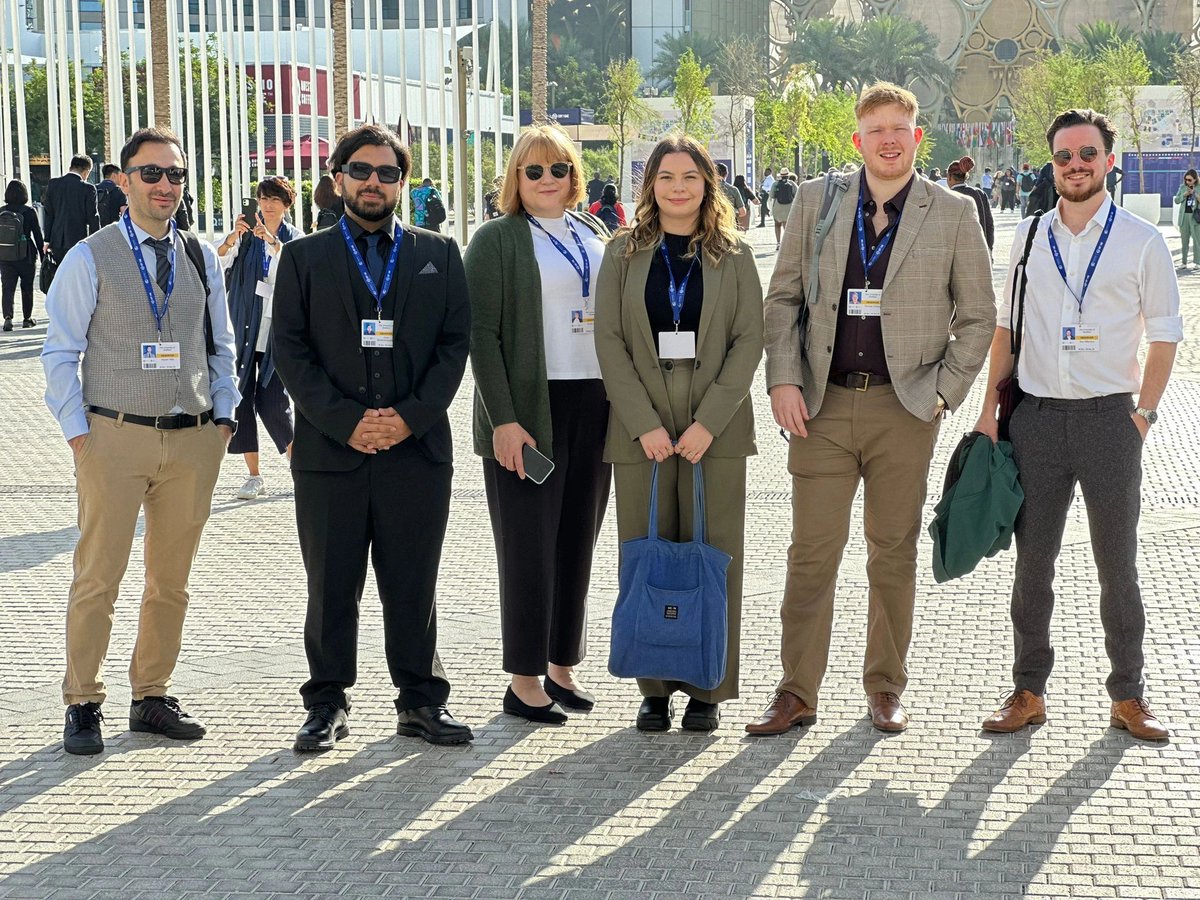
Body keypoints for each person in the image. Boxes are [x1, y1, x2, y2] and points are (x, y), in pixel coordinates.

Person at [750, 81, 995, 737]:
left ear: (918, 138)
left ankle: (885, 688)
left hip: (904, 408)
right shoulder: (816, 202)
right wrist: (782, 379)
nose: (888, 139)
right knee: (811, 556)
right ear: (856, 139)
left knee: (892, 554)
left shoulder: (952, 213)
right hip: (822, 407)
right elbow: (782, 304)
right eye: (875, 129)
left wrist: (943, 393)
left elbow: (978, 318)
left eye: (900, 128)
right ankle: (796, 691)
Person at [974, 108, 1183, 742]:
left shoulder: (1142, 242)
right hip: (1036, 420)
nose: (1075, 166)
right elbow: (1006, 328)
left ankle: (1129, 696)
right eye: (1064, 157)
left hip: (1109, 424)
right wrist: (991, 409)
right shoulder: (1029, 236)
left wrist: (1141, 416)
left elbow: (1166, 337)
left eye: (1087, 154)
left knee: (1117, 565)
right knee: (1033, 564)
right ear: (1052, 165)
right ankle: (1028, 690)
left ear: (1108, 161)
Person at [272, 123, 473, 751]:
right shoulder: (304, 258)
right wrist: (344, 420)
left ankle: (419, 700)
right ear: (338, 180)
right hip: (331, 453)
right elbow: (290, 351)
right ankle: (326, 702)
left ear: (402, 183)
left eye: (388, 173)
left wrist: (410, 416)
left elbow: (453, 346)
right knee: (331, 584)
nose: (373, 183)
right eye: (360, 171)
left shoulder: (438, 253)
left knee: (412, 581)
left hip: (416, 452)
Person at [40, 127, 239, 755]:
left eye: (175, 175)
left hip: (191, 439)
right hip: (114, 434)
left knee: (170, 580)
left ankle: (150, 695)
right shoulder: (89, 256)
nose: (165, 186)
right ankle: (82, 700)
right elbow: (60, 351)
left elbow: (222, 344)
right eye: (150, 174)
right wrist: (81, 434)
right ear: (123, 181)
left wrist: (224, 418)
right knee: (99, 575)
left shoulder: (202, 256)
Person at [595, 133, 764, 733]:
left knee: (714, 556)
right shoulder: (621, 253)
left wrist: (707, 423)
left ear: (707, 184)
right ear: (650, 186)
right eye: (666, 177)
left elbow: (749, 341)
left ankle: (708, 686)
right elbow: (609, 342)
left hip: (714, 432)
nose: (678, 188)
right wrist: (643, 423)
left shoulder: (735, 255)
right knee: (646, 553)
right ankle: (653, 688)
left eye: (690, 177)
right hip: (640, 431)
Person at [464, 124, 613, 725]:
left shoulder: (594, 232)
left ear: (574, 176)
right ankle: (523, 680)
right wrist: (504, 419)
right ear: (515, 179)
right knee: (528, 547)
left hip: (595, 404)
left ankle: (561, 667)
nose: (547, 180)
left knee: (578, 540)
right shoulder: (497, 240)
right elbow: (482, 336)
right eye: (534, 171)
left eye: (558, 169)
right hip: (530, 410)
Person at [216, 175, 301, 500]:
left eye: (275, 200)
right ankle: (254, 475)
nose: (267, 206)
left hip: (275, 333)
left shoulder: (293, 238)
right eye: (263, 199)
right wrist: (231, 238)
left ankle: (299, 467)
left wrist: (273, 244)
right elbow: (221, 260)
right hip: (243, 328)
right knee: (242, 401)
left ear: (285, 205)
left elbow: (295, 273)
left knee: (275, 404)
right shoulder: (246, 237)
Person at [0, 179, 46, 331]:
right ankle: (27, 319)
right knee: (27, 287)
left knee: (7, 287)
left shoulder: (1, 212)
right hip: (26, 255)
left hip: (6, 256)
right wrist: (42, 254)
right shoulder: (29, 212)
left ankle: (8, 317)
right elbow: (38, 235)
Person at [42, 154, 100, 269]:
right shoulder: (88, 189)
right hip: (77, 239)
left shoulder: (53, 184)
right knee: (77, 274)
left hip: (57, 240)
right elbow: (93, 217)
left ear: (71, 167)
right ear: (86, 172)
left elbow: (49, 214)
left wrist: (47, 240)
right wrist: (96, 241)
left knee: (60, 273)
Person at [946, 156, 995, 251]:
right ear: (966, 175)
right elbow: (989, 224)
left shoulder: (947, 196)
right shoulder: (980, 193)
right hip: (980, 247)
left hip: (956, 251)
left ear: (949, 177)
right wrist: (989, 249)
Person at [1173, 168, 1198, 268]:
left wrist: (1194, 193)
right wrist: (1184, 195)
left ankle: (1197, 262)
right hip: (1184, 217)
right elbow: (1177, 200)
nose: (1187, 182)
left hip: (1195, 218)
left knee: (1197, 241)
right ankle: (1184, 263)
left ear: (1195, 180)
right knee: (1184, 241)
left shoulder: (1199, 187)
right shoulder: (1182, 187)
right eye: (1186, 180)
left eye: (1190, 180)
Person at [715, 162, 747, 231]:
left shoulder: (707, 189)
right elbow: (743, 212)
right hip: (730, 225)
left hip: (712, 226)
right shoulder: (733, 190)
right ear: (726, 174)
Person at [769, 169, 796, 249]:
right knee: (786, 225)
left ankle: (778, 243)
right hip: (789, 206)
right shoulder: (792, 183)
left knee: (777, 225)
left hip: (778, 206)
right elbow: (796, 193)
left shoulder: (775, 184)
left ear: (780, 175)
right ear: (788, 175)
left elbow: (772, 195)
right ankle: (787, 243)